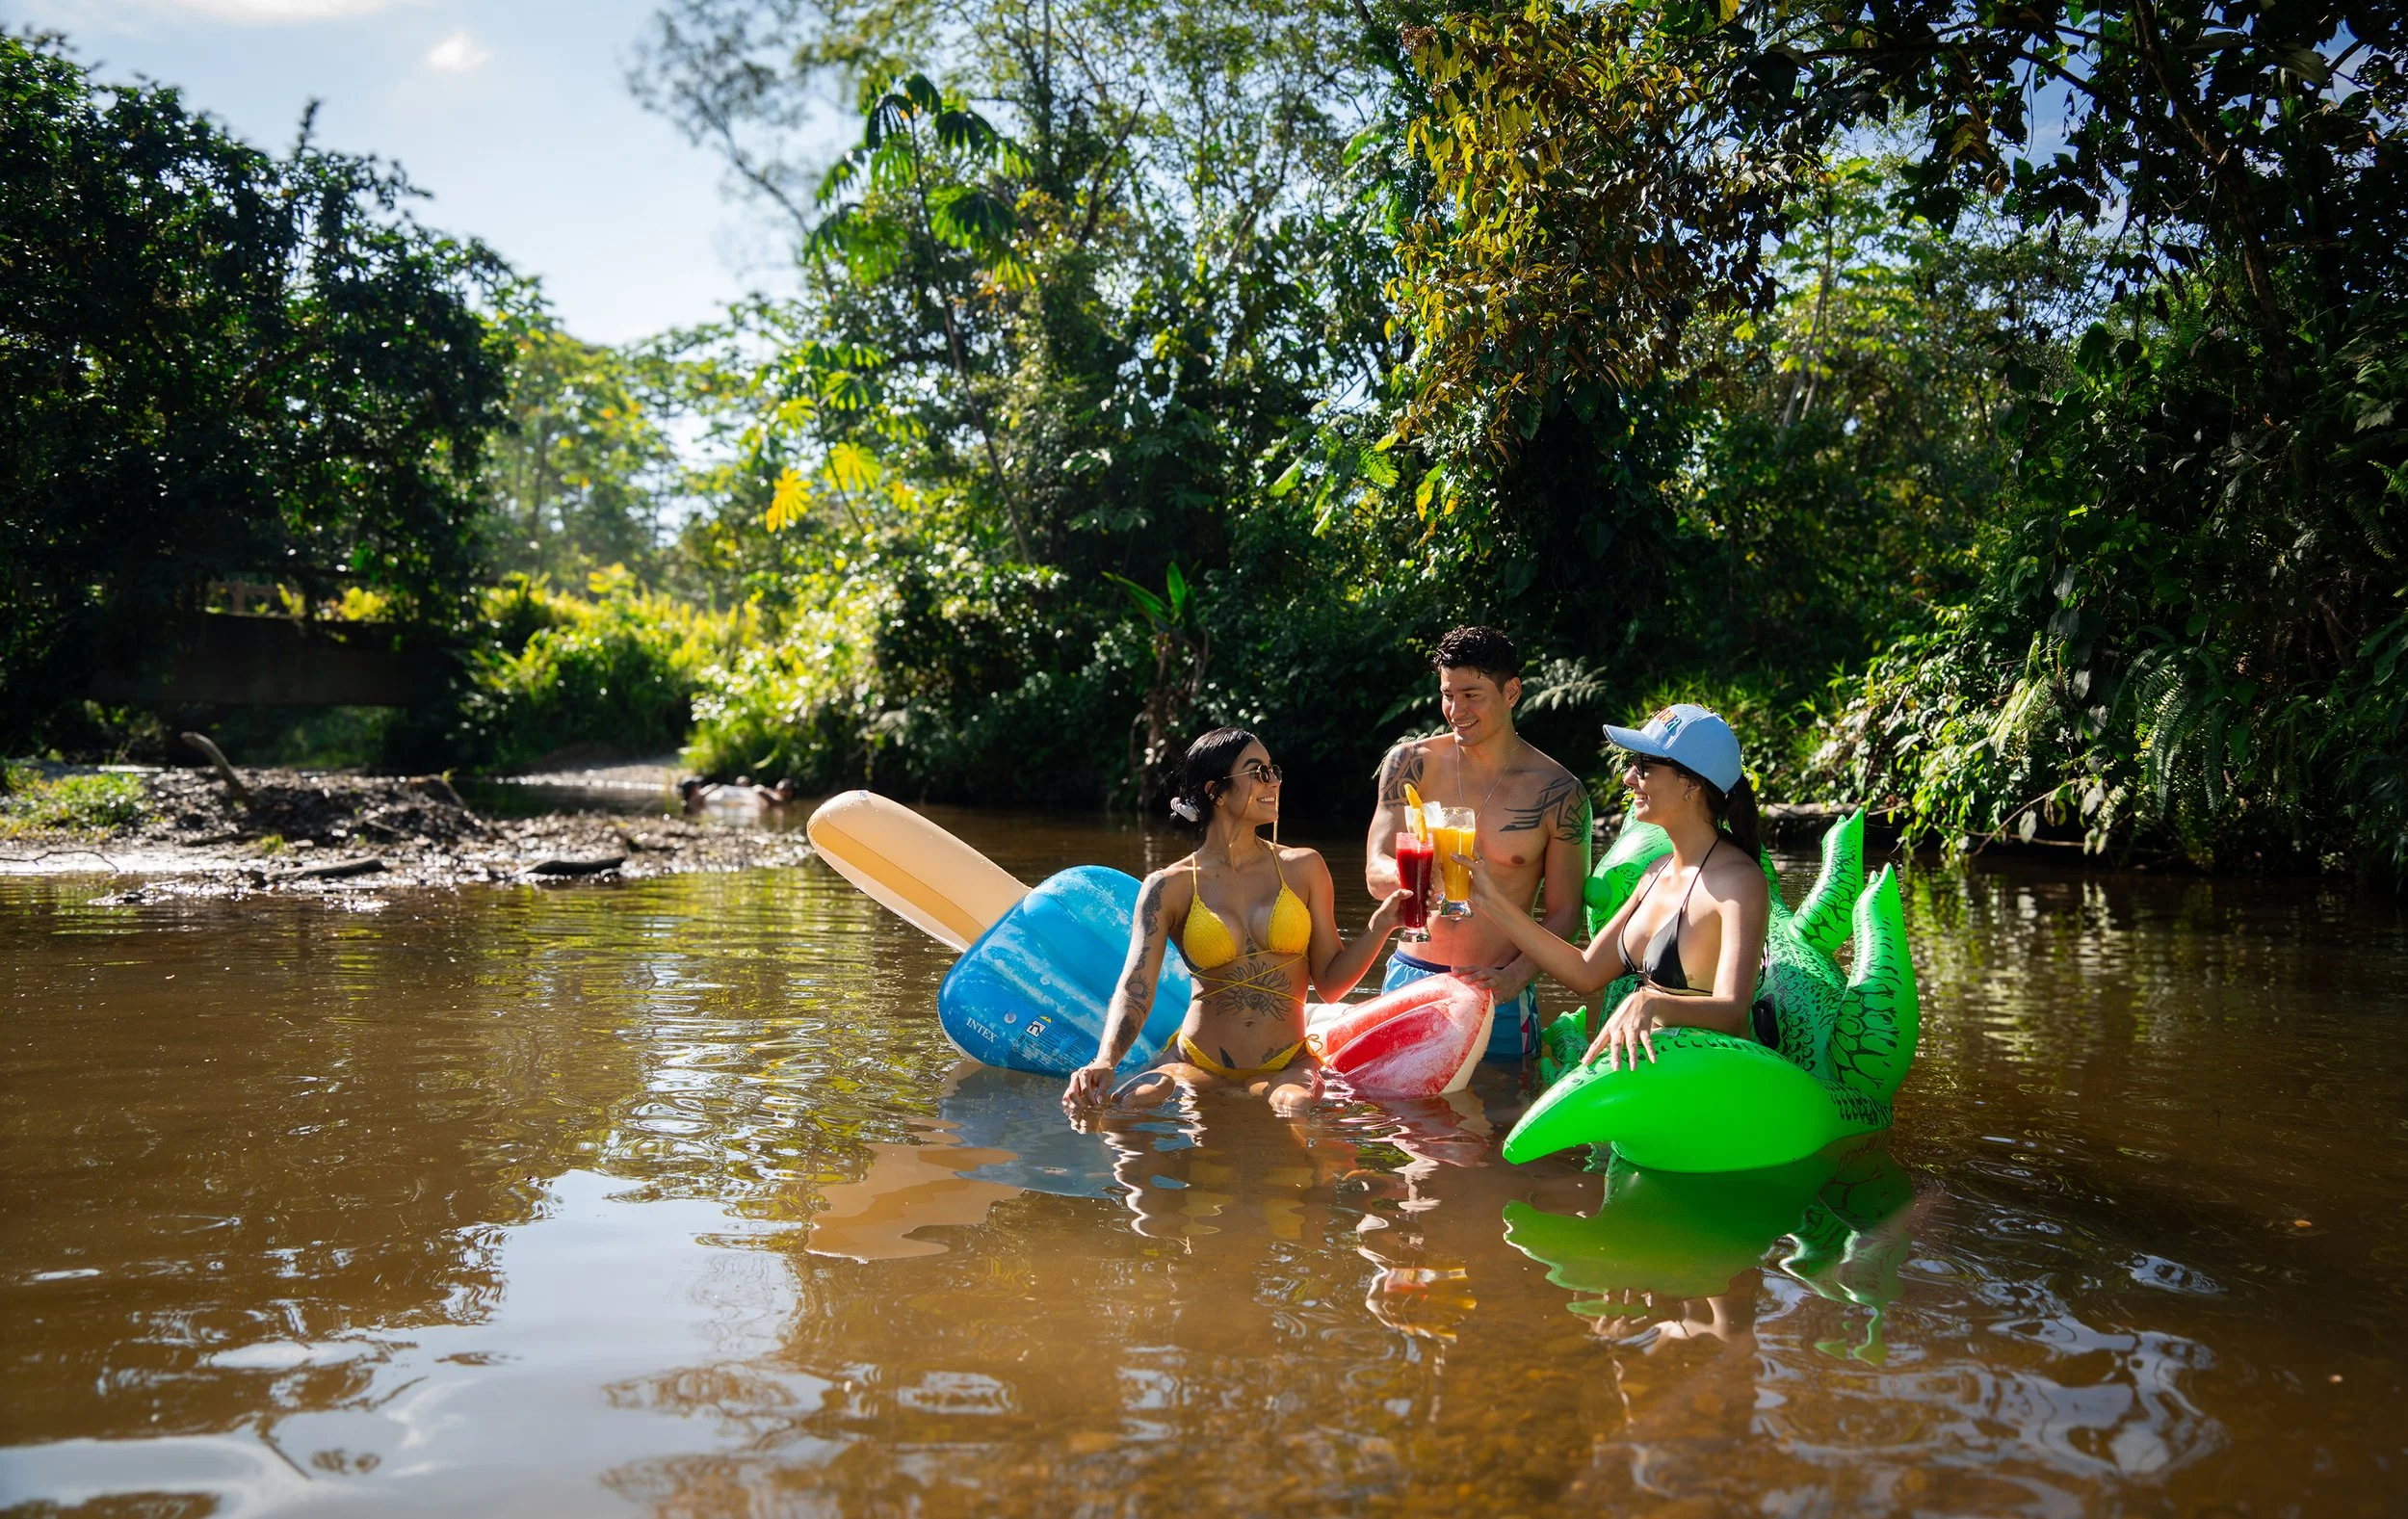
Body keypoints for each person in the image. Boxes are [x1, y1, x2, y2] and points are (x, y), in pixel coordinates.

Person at [1063, 728, 1411, 1117]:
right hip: (1195, 1062)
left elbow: (1330, 985)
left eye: (1273, 770)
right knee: (1124, 1108)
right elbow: (1135, 986)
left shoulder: (1303, 868)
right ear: (1216, 791)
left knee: (1296, 1110)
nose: (1274, 781)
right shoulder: (1169, 886)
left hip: (1287, 1063)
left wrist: (1381, 926)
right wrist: (1104, 1061)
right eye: (1257, 772)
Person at [1456, 704, 1771, 1071]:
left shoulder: (1739, 882)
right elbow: (1585, 972)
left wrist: (1651, 1003)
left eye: (1645, 767)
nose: (1629, 779)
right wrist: (1488, 898)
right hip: (1653, 1079)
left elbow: (1733, 1010)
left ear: (1691, 784)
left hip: (1708, 1083)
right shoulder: (1656, 872)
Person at [1365, 626, 1591, 1062]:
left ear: (1511, 692)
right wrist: (1410, 879)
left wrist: (1516, 978)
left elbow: (1566, 915)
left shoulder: (1560, 793)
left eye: (1472, 695)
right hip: (1411, 977)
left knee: (1498, 1119)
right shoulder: (1410, 764)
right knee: (1395, 1124)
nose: (1456, 710)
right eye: (1448, 694)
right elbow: (1376, 867)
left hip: (1498, 988)